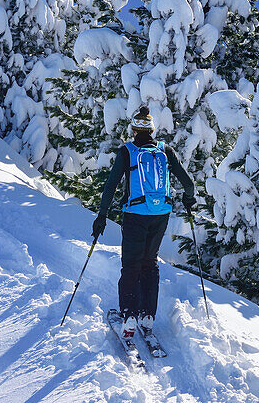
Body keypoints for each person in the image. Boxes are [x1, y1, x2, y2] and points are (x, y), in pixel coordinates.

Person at [92, 106, 196, 342]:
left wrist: (101, 216)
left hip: (135, 215)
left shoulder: (127, 151)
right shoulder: (165, 150)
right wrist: (189, 199)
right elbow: (188, 183)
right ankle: (147, 315)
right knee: (150, 263)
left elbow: (110, 186)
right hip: (160, 214)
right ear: (152, 130)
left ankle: (128, 315)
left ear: (134, 129)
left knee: (131, 265)